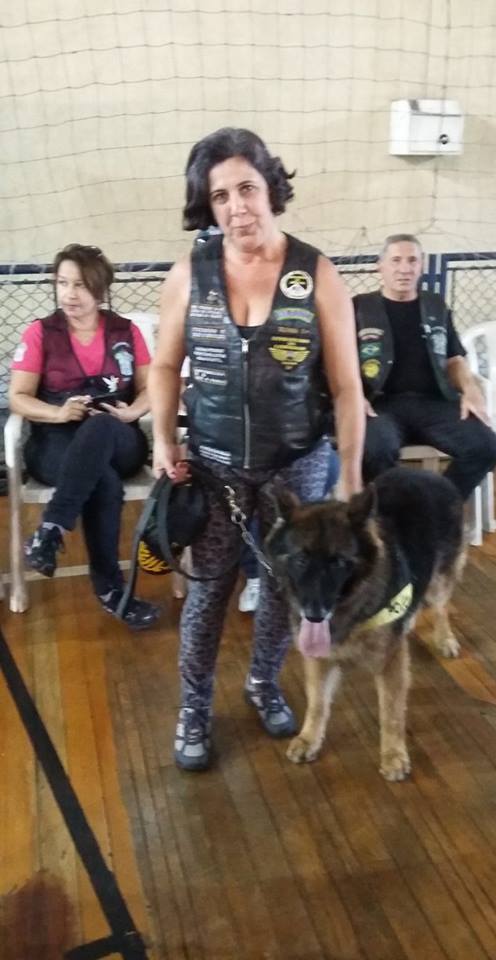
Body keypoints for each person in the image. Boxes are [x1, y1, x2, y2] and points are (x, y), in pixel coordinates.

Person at [148, 127, 365, 771]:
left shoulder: (317, 273)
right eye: (220, 196)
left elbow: (347, 387)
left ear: (270, 188)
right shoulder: (189, 275)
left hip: (296, 465)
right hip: (213, 465)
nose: (237, 207)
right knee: (209, 591)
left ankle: (264, 682)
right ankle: (193, 708)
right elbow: (164, 366)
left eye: (247, 188)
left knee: (279, 587)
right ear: (208, 205)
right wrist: (163, 438)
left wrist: (350, 474)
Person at [9, 243, 160, 630]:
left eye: (79, 285)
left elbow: (152, 387)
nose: (69, 294)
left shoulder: (126, 331)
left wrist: (133, 411)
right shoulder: (41, 332)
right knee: (102, 480)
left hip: (119, 436)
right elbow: (18, 397)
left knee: (101, 426)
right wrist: (58, 412)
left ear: (99, 289)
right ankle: (112, 591)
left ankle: (50, 528)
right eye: (62, 283)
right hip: (56, 443)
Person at [353, 233, 496, 500]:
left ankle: (437, 506)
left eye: (413, 260)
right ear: (380, 266)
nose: (405, 268)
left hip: (433, 403)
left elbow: (454, 358)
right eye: (396, 260)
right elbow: (340, 361)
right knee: (375, 450)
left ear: (422, 266)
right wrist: (352, 395)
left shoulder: (436, 305)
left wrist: (470, 389)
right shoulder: (360, 307)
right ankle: (390, 515)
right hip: (380, 406)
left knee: (485, 447)